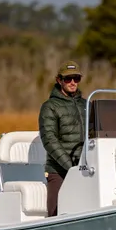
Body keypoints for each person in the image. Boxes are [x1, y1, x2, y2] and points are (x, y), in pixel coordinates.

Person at [38, 60, 87, 217]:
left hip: (86, 168)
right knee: (56, 213)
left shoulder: (87, 104)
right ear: (59, 80)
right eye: (68, 78)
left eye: (76, 78)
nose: (72, 82)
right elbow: (49, 140)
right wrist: (71, 167)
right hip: (59, 170)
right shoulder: (49, 107)